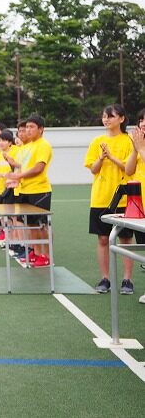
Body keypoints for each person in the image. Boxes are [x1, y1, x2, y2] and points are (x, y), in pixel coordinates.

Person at [84, 105, 134, 294]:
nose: (106, 119)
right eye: (104, 116)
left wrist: (111, 156)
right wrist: (102, 157)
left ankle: (127, 280)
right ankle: (105, 278)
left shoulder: (129, 141)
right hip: (100, 197)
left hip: (122, 198)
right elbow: (93, 168)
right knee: (103, 239)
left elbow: (128, 167)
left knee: (125, 238)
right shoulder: (97, 141)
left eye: (111, 116)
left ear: (121, 119)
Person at [7, 114, 53, 268]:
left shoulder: (43, 145)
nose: (27, 130)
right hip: (25, 190)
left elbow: (38, 168)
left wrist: (18, 175)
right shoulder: (27, 147)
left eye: (31, 127)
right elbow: (22, 167)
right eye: (26, 127)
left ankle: (46, 255)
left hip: (39, 190)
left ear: (41, 129)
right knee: (31, 225)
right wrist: (15, 178)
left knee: (40, 226)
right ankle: (36, 251)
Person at [124, 108, 145, 299]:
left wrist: (140, 149)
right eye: (141, 120)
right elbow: (129, 170)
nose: (143, 123)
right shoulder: (139, 146)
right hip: (141, 207)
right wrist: (134, 149)